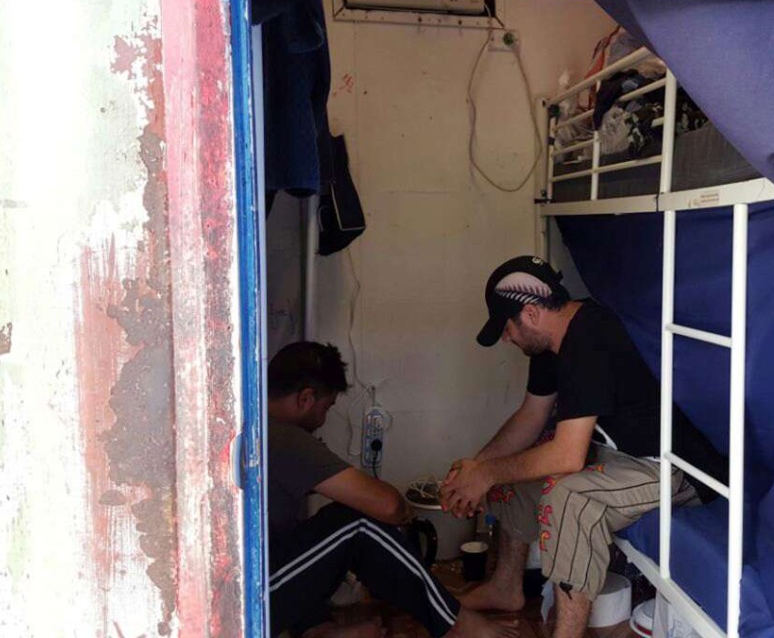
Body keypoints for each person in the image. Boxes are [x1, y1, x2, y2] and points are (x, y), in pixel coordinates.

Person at [441, 257, 727, 638]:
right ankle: (505, 587)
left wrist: (487, 472)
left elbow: (567, 456)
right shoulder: (549, 345)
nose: (506, 338)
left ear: (530, 313)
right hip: (619, 455)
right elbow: (531, 416)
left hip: (668, 465)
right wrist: (475, 471)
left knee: (569, 499)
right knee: (513, 475)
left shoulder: (590, 336)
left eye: (507, 328)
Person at [267, 341, 516, 638]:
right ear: (306, 398)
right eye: (326, 408)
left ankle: (320, 630)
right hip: (257, 596)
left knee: (313, 531)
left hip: (260, 576)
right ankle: (457, 624)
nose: (322, 420)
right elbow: (387, 505)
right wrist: (404, 512)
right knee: (357, 523)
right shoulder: (285, 438)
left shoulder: (255, 424)